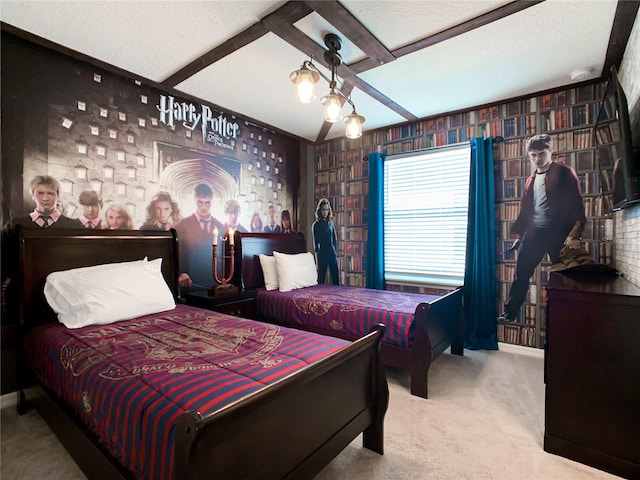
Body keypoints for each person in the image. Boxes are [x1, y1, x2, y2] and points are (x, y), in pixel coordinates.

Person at [498, 134, 585, 322]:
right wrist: (520, 235)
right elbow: (527, 209)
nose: (537, 159)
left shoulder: (564, 172)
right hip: (534, 234)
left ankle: (569, 315)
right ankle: (510, 313)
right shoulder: (530, 180)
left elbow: (577, 205)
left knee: (565, 278)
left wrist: (574, 235)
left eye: (541, 154)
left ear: (550, 151)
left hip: (558, 235)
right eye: (533, 155)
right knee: (521, 274)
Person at [175, 183, 223, 290]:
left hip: (215, 282)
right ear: (194, 200)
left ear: (212, 201)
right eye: (200, 203)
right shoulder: (181, 225)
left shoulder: (220, 226)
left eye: (207, 203)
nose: (203, 207)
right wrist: (180, 273)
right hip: (190, 282)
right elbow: (175, 253)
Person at [11, 175, 81, 229]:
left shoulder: (73, 225)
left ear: (58, 196)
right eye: (40, 193)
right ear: (32, 196)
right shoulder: (17, 224)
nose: (45, 198)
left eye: (50, 194)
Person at [312, 198, 339, 285]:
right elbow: (315, 244)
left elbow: (335, 239)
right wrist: (317, 259)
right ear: (320, 210)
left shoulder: (330, 223)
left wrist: (335, 252)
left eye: (327, 209)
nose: (325, 212)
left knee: (336, 278)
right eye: (323, 209)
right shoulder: (316, 225)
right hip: (322, 254)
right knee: (321, 279)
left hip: (331, 253)